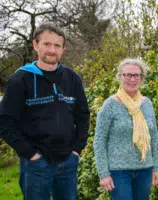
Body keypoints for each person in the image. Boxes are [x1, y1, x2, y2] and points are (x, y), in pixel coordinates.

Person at [0, 23, 90, 200]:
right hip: (36, 165)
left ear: (63, 49)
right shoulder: (20, 80)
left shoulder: (72, 78)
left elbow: (82, 116)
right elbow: (5, 122)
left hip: (67, 161)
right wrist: (30, 154)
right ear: (35, 45)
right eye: (47, 44)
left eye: (57, 45)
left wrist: (77, 150)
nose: (52, 50)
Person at [93, 58, 158, 200]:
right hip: (119, 171)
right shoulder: (110, 105)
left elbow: (154, 138)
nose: (132, 79)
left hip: (145, 169)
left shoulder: (147, 104)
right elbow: (99, 141)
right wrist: (103, 174)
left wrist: (156, 168)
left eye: (136, 75)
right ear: (120, 77)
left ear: (142, 78)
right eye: (127, 75)